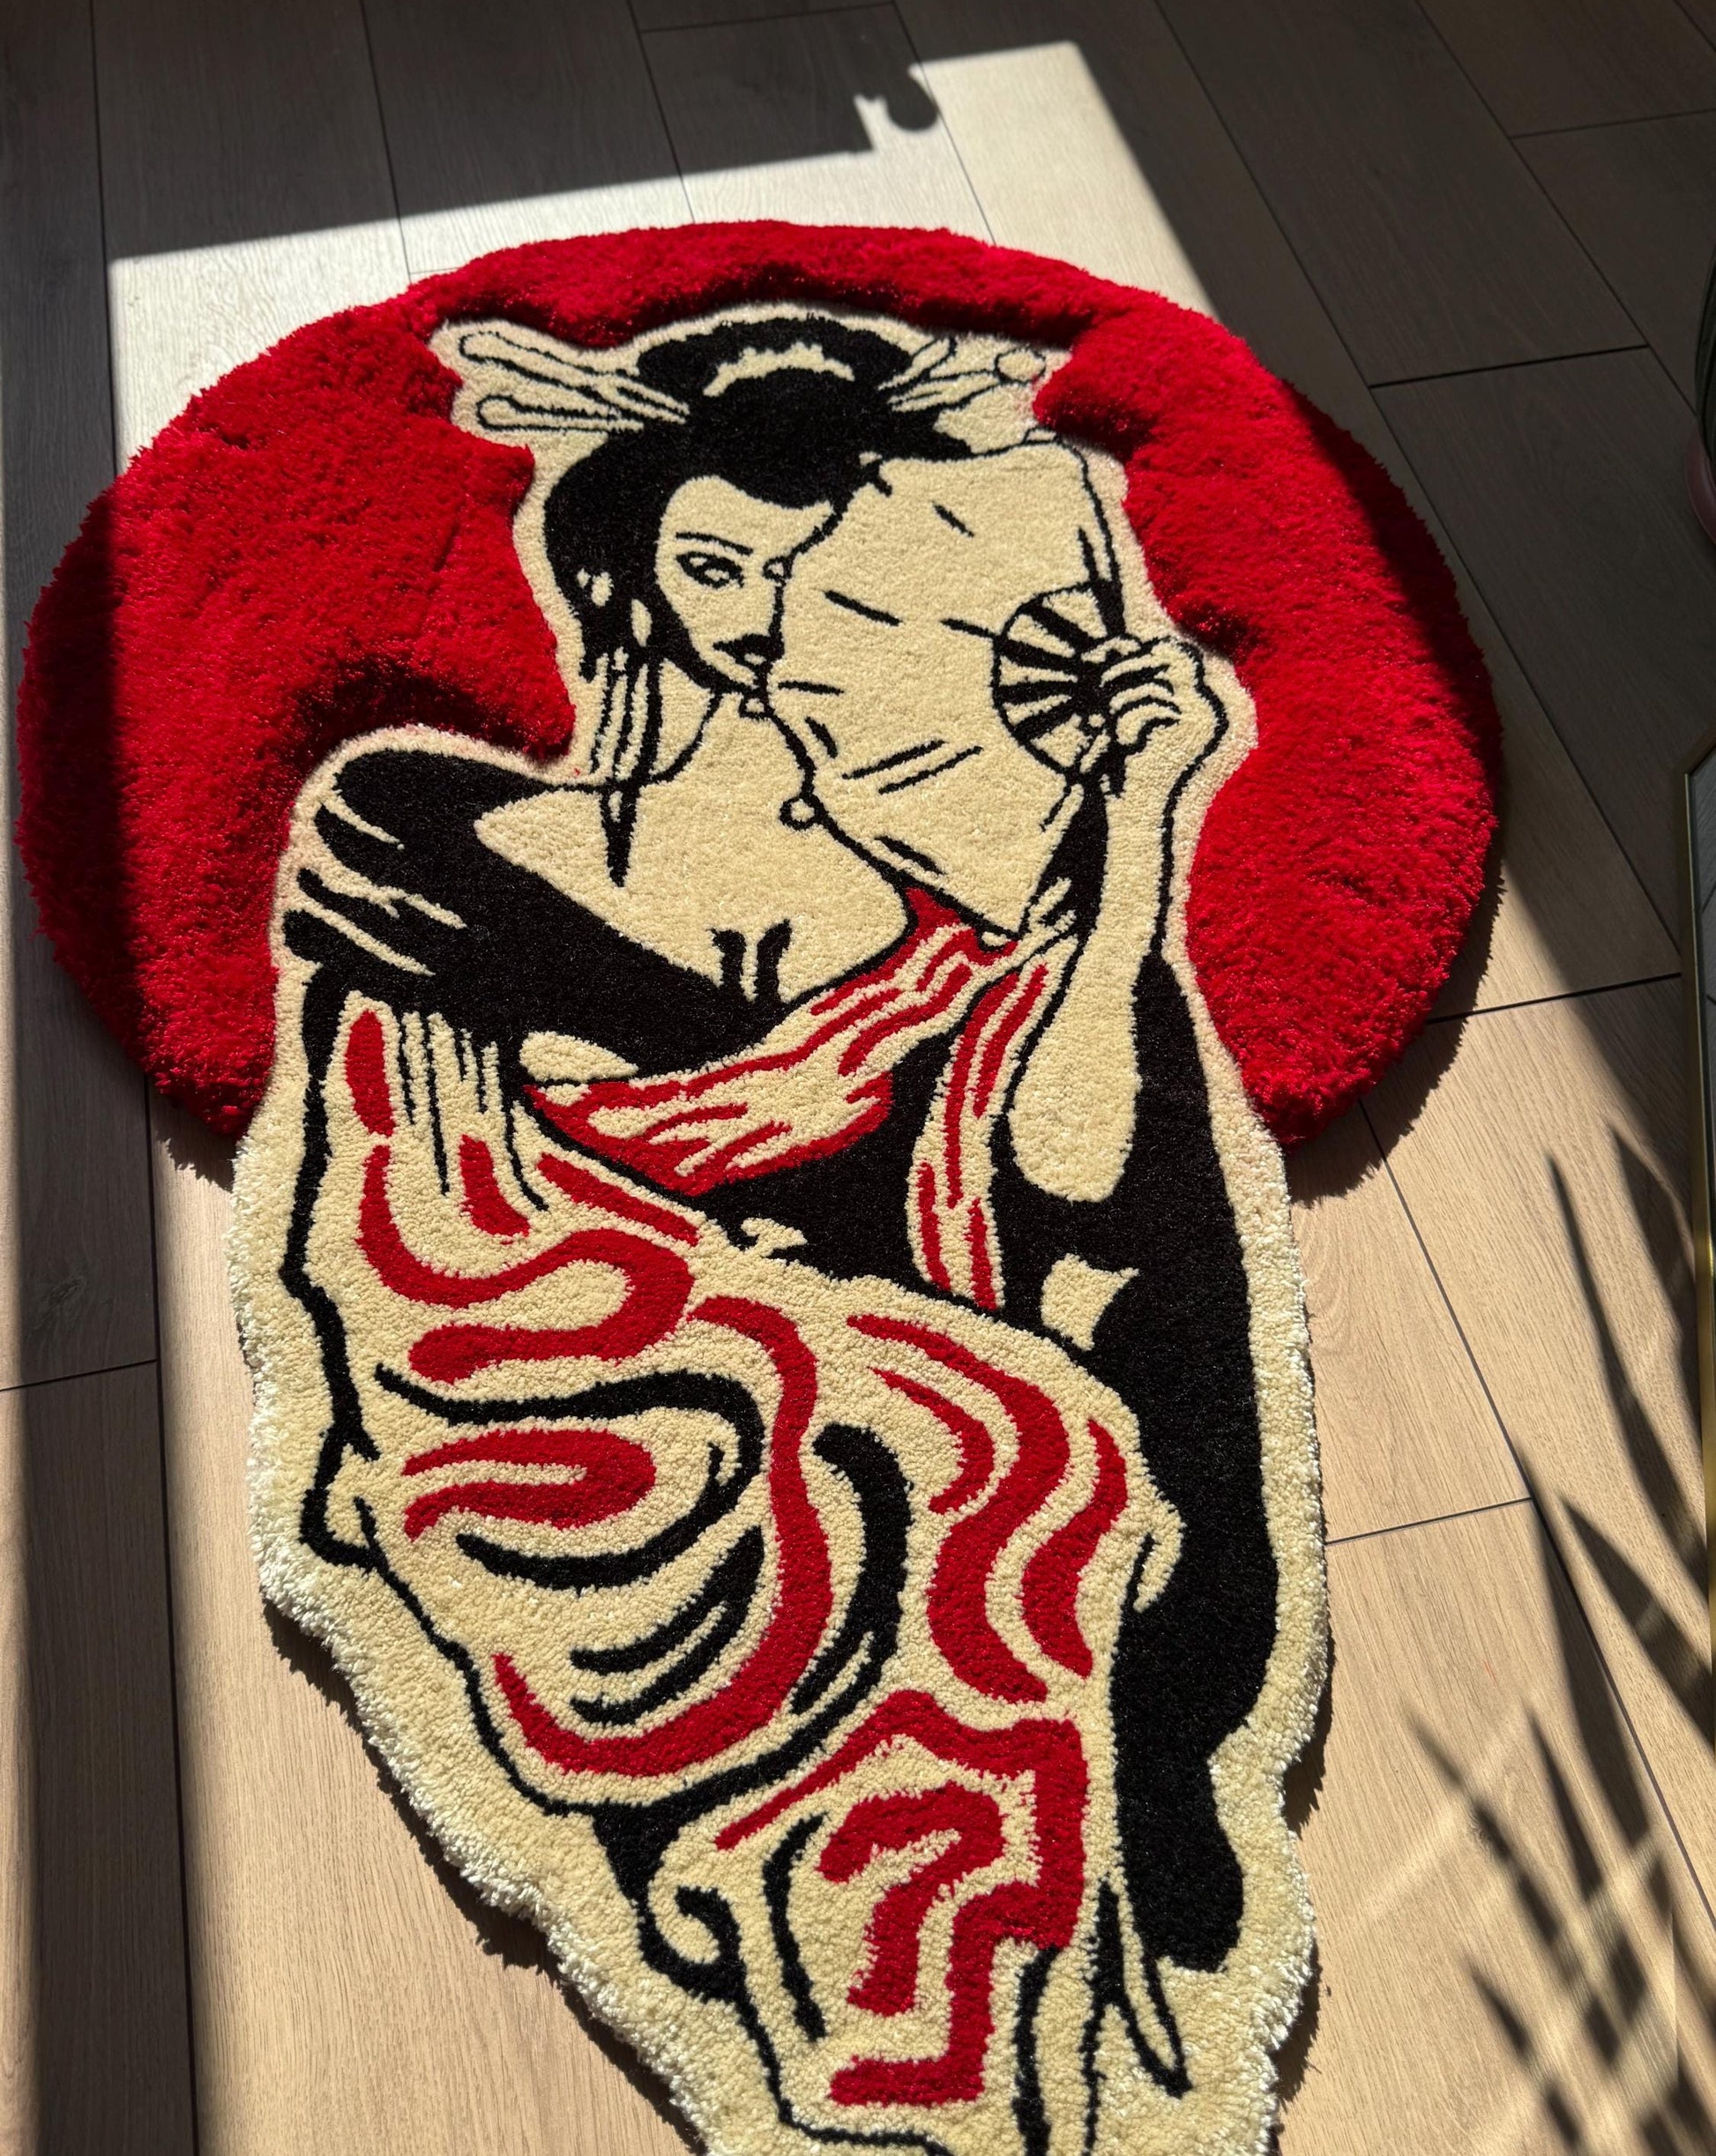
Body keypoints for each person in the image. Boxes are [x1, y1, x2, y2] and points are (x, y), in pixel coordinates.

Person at [250, 310, 1282, 2137]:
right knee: (997, 1440)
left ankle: (1084, 1860)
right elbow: (396, 1202)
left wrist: (1127, 836)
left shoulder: (961, 890)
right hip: (562, 1370)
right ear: (618, 573)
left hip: (908, 1379)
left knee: (1041, 1421)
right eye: (712, 565)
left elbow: (1076, 1173)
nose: (756, 613)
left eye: (801, 568)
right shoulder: (433, 840)